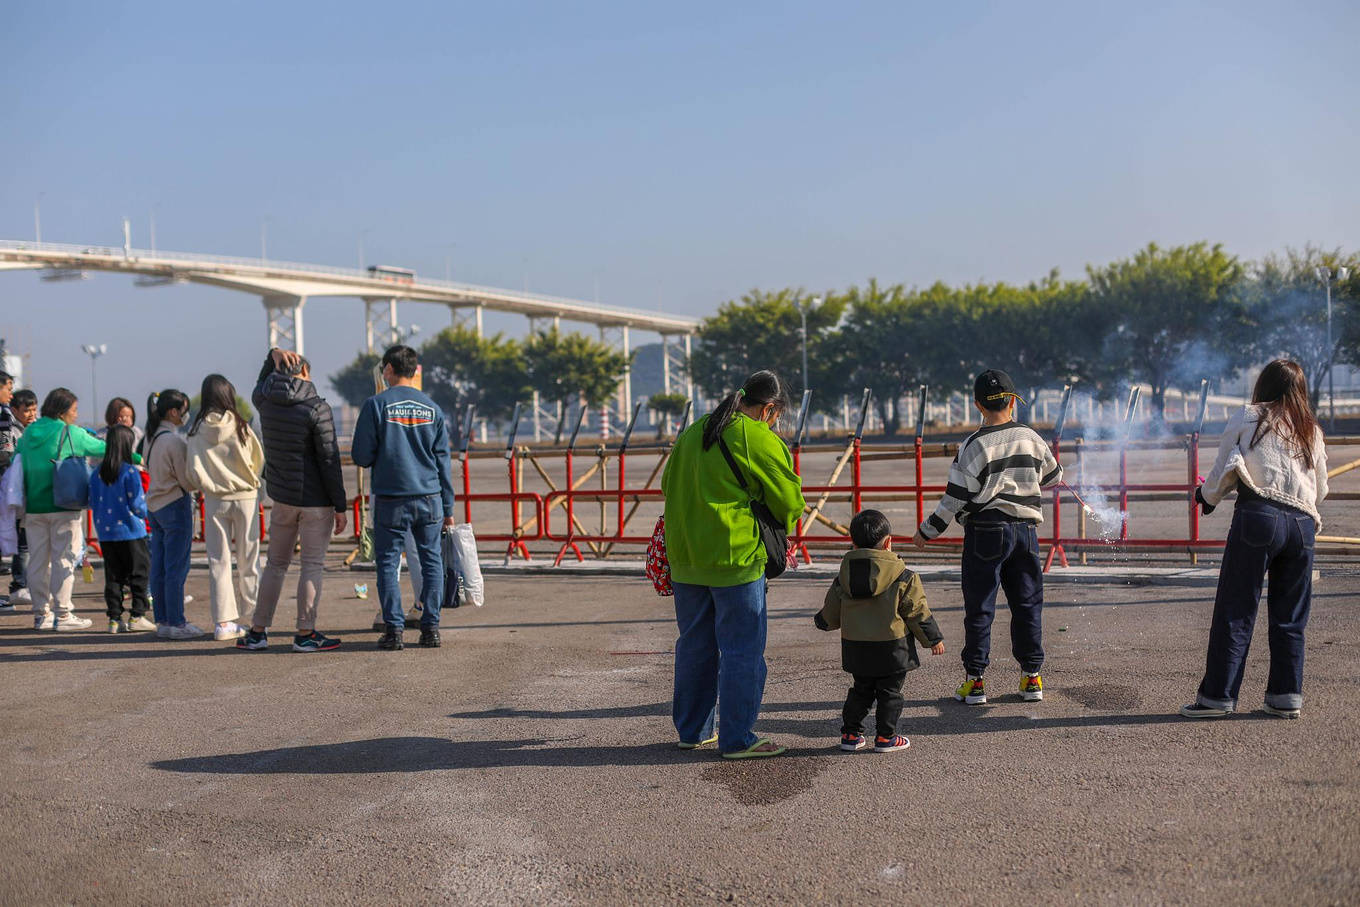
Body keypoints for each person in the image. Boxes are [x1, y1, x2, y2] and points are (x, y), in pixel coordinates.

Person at [660, 369, 806, 759]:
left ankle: (693, 731)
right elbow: (790, 503)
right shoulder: (757, 437)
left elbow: (668, 487)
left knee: (694, 646)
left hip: (687, 557)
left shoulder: (694, 432)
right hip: (735, 558)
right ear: (770, 409)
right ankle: (738, 739)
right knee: (742, 650)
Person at [1181, 359, 1329, 720]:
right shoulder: (1311, 429)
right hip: (1302, 526)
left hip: (1259, 517)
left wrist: (1207, 496)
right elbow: (1320, 488)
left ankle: (1217, 698)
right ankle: (1285, 697)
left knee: (1236, 608)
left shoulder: (1248, 416)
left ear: (1263, 385)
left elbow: (1226, 467)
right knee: (1290, 617)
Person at [913, 368, 1062, 706]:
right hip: (1025, 532)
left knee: (980, 608)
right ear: (1013, 401)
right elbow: (1053, 476)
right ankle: (1032, 677)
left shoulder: (972, 446)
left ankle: (976, 682)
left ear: (978, 405)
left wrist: (927, 532)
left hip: (985, 532)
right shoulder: (1031, 437)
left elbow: (953, 500)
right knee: (1027, 605)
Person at [240, 349, 347, 653]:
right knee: (311, 565)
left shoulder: (265, 403)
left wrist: (270, 357)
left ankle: (257, 632)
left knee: (275, 564)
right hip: (315, 501)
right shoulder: (317, 408)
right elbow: (329, 460)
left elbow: (260, 386)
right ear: (304, 374)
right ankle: (305, 632)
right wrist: (340, 505)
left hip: (283, 497)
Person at [350, 344, 455, 650]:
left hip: (391, 497)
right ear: (415, 371)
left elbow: (361, 455)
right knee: (431, 560)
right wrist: (448, 506)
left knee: (387, 561)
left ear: (388, 370)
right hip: (430, 497)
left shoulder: (375, 405)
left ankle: (394, 631)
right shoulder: (433, 408)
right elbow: (443, 461)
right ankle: (430, 628)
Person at [816, 510, 945, 753]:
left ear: (853, 542)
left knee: (861, 690)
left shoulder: (844, 576)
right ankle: (886, 737)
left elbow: (832, 610)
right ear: (888, 542)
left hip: (856, 647)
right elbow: (917, 611)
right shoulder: (903, 576)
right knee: (890, 693)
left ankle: (851, 735)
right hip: (892, 648)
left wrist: (822, 622)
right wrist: (933, 639)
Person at [14, 388, 107, 630]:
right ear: (63, 411)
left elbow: (17, 458)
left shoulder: (29, 432)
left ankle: (40, 615)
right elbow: (104, 449)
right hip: (64, 507)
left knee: (37, 562)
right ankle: (63, 615)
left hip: (33, 508)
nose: (76, 416)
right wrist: (138, 457)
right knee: (63, 560)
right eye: (74, 411)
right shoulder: (70, 432)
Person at [186, 374, 265, 642]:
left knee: (219, 561)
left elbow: (191, 471)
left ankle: (223, 623)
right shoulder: (241, 425)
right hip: (245, 497)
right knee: (249, 559)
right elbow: (258, 460)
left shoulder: (196, 431)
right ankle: (255, 618)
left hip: (215, 499)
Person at [145, 390, 205, 640]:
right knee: (176, 568)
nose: (185, 414)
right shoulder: (174, 441)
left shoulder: (151, 437)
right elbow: (188, 481)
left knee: (158, 567)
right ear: (173, 411)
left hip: (155, 505)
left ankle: (163, 620)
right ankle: (178, 622)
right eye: (183, 409)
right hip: (174, 504)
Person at [88, 425, 155, 633]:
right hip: (132, 531)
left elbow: (91, 502)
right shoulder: (130, 472)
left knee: (114, 576)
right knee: (139, 573)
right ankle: (137, 615)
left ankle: (114, 619)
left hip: (107, 533)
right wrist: (146, 512)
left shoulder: (96, 473)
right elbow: (137, 504)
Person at [4, 388, 38, 607]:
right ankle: (19, 584)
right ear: (14, 410)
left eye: (34, 409)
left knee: (27, 542)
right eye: (27, 410)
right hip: (17, 495)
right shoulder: (10, 430)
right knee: (22, 543)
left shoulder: (33, 428)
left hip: (29, 493)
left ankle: (24, 583)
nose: (31, 414)